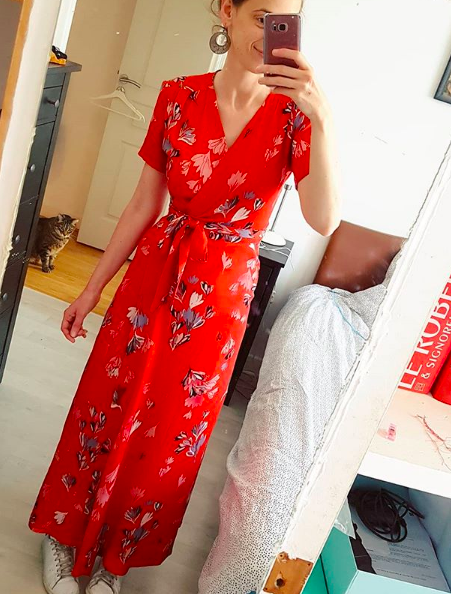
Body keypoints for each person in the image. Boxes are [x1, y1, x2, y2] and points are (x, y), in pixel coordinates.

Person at [28, 0, 340, 592]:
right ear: (227, 11)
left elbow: (323, 219)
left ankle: (116, 554)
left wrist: (321, 116)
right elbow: (143, 204)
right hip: (154, 274)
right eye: (262, 16)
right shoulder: (178, 95)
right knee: (106, 405)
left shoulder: (295, 116)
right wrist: (91, 289)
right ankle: (65, 535)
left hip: (220, 296)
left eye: (285, 22)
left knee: (174, 427)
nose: (271, 34)